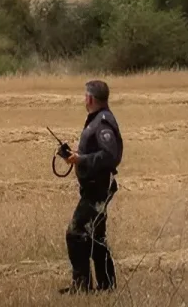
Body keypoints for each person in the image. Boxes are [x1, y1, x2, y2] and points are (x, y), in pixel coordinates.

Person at [60, 79, 124, 294]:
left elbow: (110, 155)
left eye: (84, 96)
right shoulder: (97, 119)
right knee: (96, 236)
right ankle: (106, 285)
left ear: (89, 98)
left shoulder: (102, 123)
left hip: (98, 188)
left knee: (76, 233)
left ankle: (81, 286)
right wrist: (77, 156)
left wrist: (81, 159)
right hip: (94, 187)